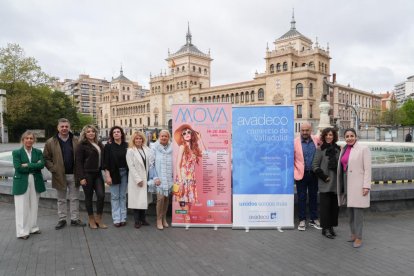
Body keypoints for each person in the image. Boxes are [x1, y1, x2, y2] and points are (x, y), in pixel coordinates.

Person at [43, 118, 86, 230]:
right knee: (61, 199)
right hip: (59, 175)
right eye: (62, 126)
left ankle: (74, 219)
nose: (64, 128)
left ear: (69, 127)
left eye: (66, 126)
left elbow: (83, 156)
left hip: (74, 174)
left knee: (74, 198)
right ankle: (62, 219)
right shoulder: (50, 142)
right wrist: (53, 169)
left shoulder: (76, 140)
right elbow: (46, 158)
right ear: (58, 128)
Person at [337, 128, 372, 248]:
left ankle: (359, 237)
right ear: (344, 138)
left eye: (352, 136)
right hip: (347, 183)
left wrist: (366, 186)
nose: (349, 138)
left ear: (356, 137)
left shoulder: (363, 149)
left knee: (358, 213)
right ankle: (353, 234)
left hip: (358, 184)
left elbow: (368, 169)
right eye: (347, 136)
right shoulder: (344, 149)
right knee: (350, 212)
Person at [12, 131, 45, 239]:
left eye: (31, 138)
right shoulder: (16, 152)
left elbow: (42, 165)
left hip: (35, 180)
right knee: (22, 207)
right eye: (27, 138)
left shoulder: (38, 151)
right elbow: (18, 167)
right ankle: (22, 232)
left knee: (34, 205)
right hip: (22, 181)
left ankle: (33, 228)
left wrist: (28, 165)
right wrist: (34, 166)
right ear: (23, 140)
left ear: (34, 140)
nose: (29, 140)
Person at [75, 125, 107, 229]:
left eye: (93, 131)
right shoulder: (81, 145)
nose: (91, 133)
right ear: (85, 134)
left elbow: (105, 154)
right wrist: (81, 178)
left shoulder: (99, 144)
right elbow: (78, 163)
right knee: (88, 197)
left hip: (97, 174)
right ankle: (91, 219)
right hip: (87, 174)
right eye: (88, 132)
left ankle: (98, 219)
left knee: (101, 195)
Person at [173, 124, 206, 223]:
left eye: (189, 132)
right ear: (182, 136)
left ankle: (186, 220)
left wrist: (199, 139)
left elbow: (204, 153)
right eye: (184, 133)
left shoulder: (193, 147)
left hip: (191, 178)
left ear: (192, 134)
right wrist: (180, 180)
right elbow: (178, 164)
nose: (187, 134)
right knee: (184, 202)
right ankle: (186, 221)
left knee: (189, 202)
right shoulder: (182, 147)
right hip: (183, 178)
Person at [312, 127, 340, 239]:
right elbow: (314, 165)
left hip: (336, 183)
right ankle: (325, 228)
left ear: (334, 137)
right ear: (323, 136)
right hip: (325, 183)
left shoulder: (338, 149)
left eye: (331, 135)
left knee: (334, 207)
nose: (329, 137)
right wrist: (324, 177)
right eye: (327, 135)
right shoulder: (320, 149)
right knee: (325, 207)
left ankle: (331, 227)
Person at [294, 122, 321, 231]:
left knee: (313, 196)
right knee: (301, 197)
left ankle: (314, 218)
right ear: (300, 130)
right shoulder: (295, 142)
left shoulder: (316, 140)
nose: (305, 132)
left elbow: (328, 144)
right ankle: (302, 220)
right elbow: (291, 158)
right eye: (303, 130)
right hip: (301, 174)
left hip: (313, 174)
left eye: (307, 130)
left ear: (311, 130)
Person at [126, 131, 153, 229]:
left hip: (146, 178)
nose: (138, 140)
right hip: (136, 179)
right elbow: (131, 167)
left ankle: (143, 219)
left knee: (143, 199)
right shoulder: (130, 151)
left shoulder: (146, 149)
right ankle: (137, 221)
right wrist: (138, 179)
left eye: (140, 138)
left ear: (143, 139)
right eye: (136, 138)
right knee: (136, 200)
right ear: (133, 140)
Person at [103, 126, 128, 227]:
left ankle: (123, 217)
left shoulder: (126, 145)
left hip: (125, 173)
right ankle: (116, 218)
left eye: (118, 132)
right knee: (115, 197)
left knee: (122, 196)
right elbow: (106, 163)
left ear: (121, 134)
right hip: (114, 174)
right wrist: (108, 176)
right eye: (114, 132)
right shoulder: (108, 147)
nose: (116, 133)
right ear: (112, 135)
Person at [148, 129, 173, 230]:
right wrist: (155, 177)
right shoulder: (154, 147)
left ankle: (164, 218)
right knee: (160, 198)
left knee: (167, 199)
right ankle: (158, 219)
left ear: (168, 137)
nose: (164, 138)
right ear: (159, 137)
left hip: (168, 178)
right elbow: (151, 164)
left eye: (166, 136)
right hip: (159, 178)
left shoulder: (172, 148)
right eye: (162, 136)